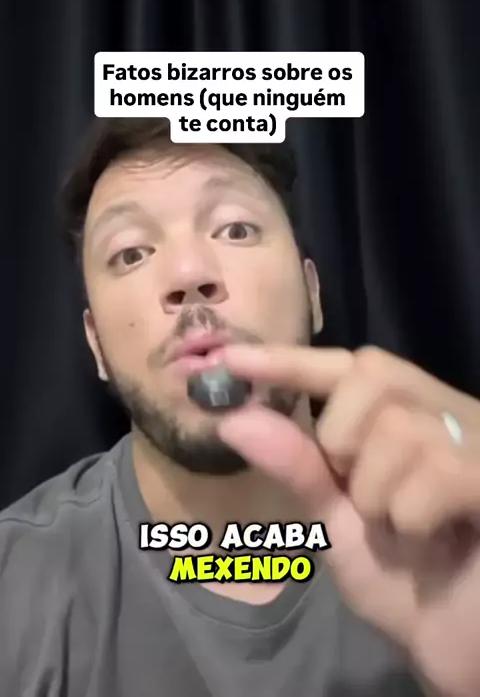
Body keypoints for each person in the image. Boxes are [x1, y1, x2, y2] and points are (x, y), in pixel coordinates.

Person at [0, 117, 479, 697]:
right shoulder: (16, 583)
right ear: (96, 344)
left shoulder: (455, 537)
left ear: (313, 293)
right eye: (130, 253)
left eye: (235, 229)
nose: (188, 275)